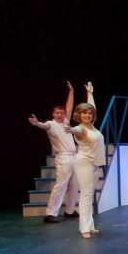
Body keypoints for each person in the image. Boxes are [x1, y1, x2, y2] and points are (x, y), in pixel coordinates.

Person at [28, 81, 79, 223]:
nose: (60, 115)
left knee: (75, 184)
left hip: (74, 156)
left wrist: (72, 91)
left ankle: (69, 210)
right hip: (63, 158)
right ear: (53, 114)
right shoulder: (51, 124)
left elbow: (69, 106)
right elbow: (43, 125)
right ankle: (50, 213)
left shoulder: (66, 122)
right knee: (61, 185)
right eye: (57, 113)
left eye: (61, 113)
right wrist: (36, 123)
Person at [64, 82, 106, 238]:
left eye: (89, 113)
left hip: (94, 163)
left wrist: (90, 93)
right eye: (84, 113)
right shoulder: (81, 129)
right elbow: (76, 130)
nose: (87, 115)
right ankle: (84, 228)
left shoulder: (93, 127)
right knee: (86, 195)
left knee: (89, 194)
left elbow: (92, 106)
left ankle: (90, 225)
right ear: (79, 115)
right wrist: (70, 129)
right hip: (84, 162)